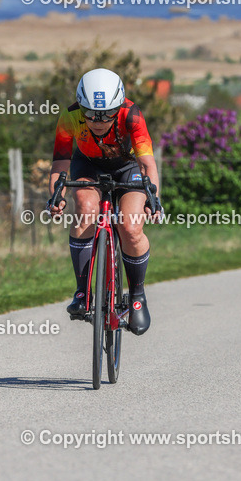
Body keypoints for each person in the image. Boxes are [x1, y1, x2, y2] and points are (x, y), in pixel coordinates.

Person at [48, 68, 161, 335]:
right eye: (91, 114)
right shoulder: (70, 116)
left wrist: (153, 199)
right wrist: (56, 195)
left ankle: (137, 296)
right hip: (88, 165)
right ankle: (82, 292)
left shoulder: (131, 115)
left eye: (107, 114)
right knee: (86, 210)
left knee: (131, 226)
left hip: (127, 166)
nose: (98, 121)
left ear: (118, 106)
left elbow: (147, 163)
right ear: (81, 107)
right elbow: (60, 163)